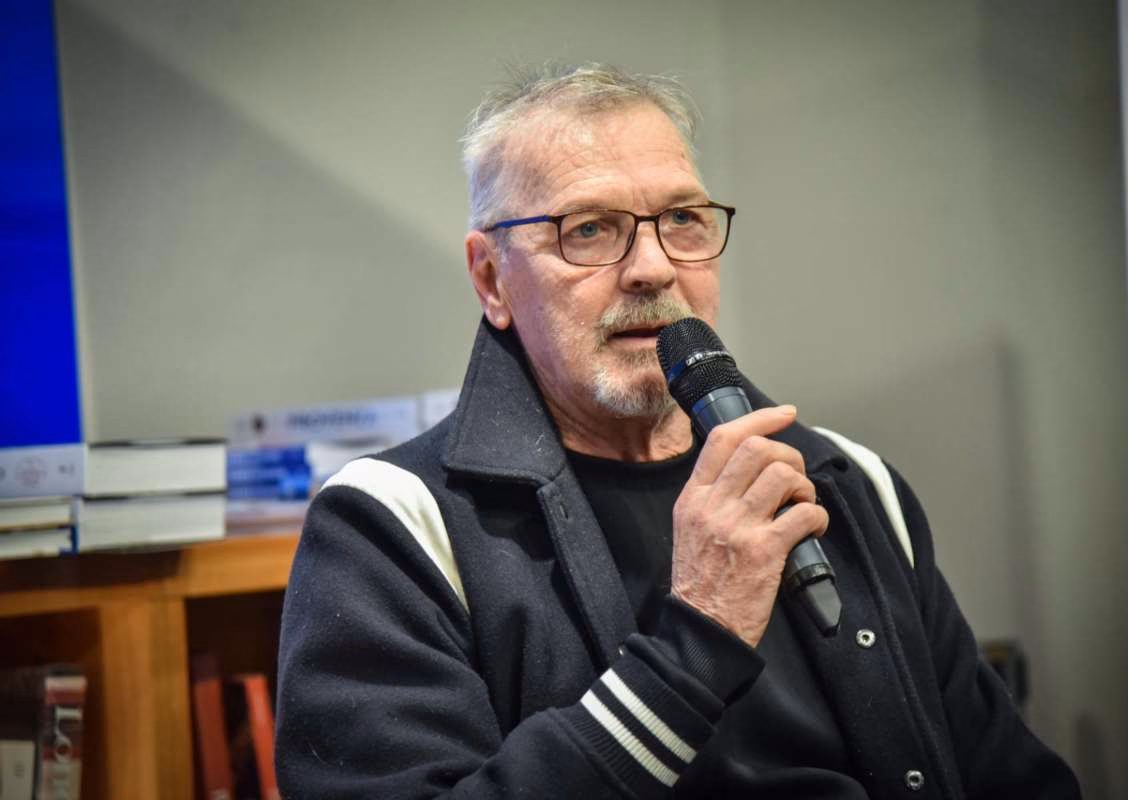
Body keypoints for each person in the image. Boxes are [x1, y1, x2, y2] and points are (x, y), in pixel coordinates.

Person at [275, 63, 1080, 799]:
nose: (654, 268)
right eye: (589, 229)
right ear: (492, 279)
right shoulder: (389, 526)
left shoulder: (851, 482)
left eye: (683, 219)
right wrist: (698, 641)